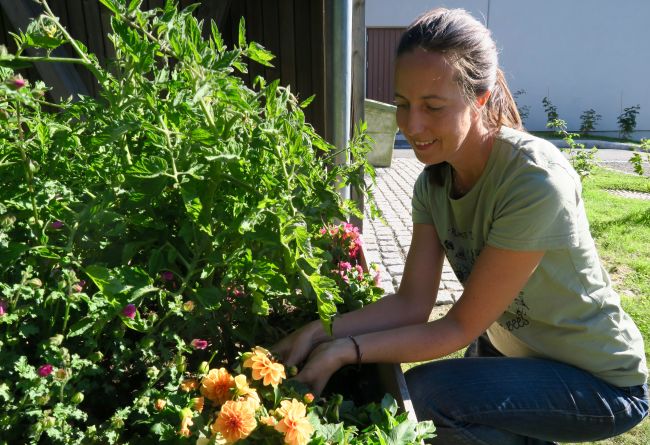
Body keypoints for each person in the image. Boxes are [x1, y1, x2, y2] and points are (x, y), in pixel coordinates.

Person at [273, 7, 648, 444]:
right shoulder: (433, 183)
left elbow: (456, 328)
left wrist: (345, 351)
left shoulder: (535, 180)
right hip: (511, 352)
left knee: (424, 397)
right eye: (402, 104)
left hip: (599, 382)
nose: (412, 125)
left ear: (481, 98)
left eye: (433, 106)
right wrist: (318, 331)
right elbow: (413, 303)